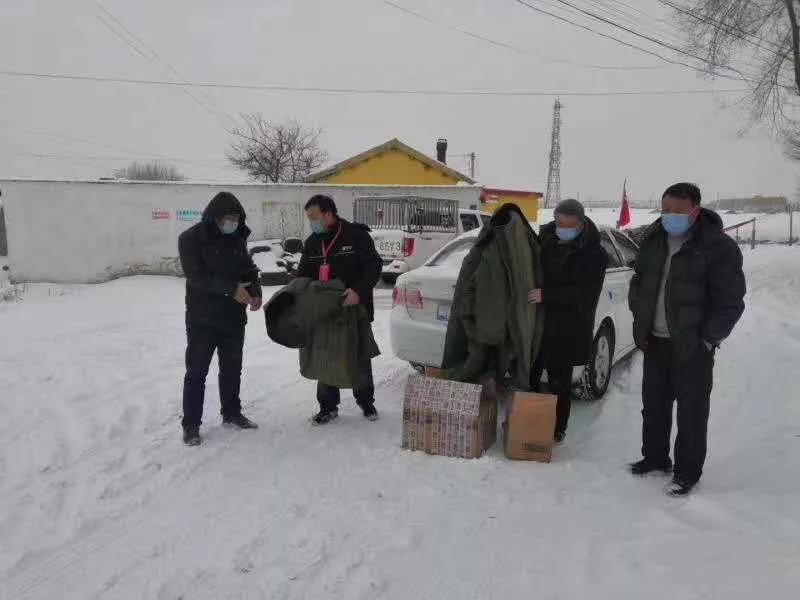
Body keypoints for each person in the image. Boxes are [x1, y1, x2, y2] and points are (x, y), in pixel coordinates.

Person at [628, 182, 745, 496]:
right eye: (666, 210)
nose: (670, 216)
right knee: (654, 406)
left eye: (678, 211)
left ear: (696, 210)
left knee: (692, 412)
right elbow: (638, 282)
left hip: (693, 346)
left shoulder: (717, 247)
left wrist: (709, 337)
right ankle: (654, 458)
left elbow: (731, 300)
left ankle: (686, 472)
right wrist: (639, 314)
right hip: (655, 340)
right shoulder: (653, 240)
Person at [178, 191, 262, 446]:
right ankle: (191, 425)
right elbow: (196, 276)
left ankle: (232, 413)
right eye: (227, 218)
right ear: (214, 217)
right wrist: (231, 289)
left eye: (236, 218)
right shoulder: (190, 239)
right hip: (202, 319)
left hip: (233, 318)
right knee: (196, 373)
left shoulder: (236, 238)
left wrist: (255, 291)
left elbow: (248, 269)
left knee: (232, 370)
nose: (232, 223)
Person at [297, 194, 382, 425]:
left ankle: (366, 402)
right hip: (325, 311)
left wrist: (358, 291)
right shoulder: (313, 242)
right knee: (326, 356)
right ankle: (328, 406)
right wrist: (289, 297)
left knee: (359, 356)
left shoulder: (356, 235)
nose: (312, 222)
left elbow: (374, 266)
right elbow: (303, 274)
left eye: (314, 217)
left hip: (355, 307)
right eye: (309, 218)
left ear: (328, 214)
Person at [529, 199, 607, 444]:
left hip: (568, 326)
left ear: (581, 224)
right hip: (539, 322)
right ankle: (529, 420)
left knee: (559, 381)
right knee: (530, 373)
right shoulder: (546, 239)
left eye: (568, 225)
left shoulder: (594, 253)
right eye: (559, 223)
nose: (562, 228)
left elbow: (586, 295)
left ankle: (556, 428)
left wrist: (547, 295)